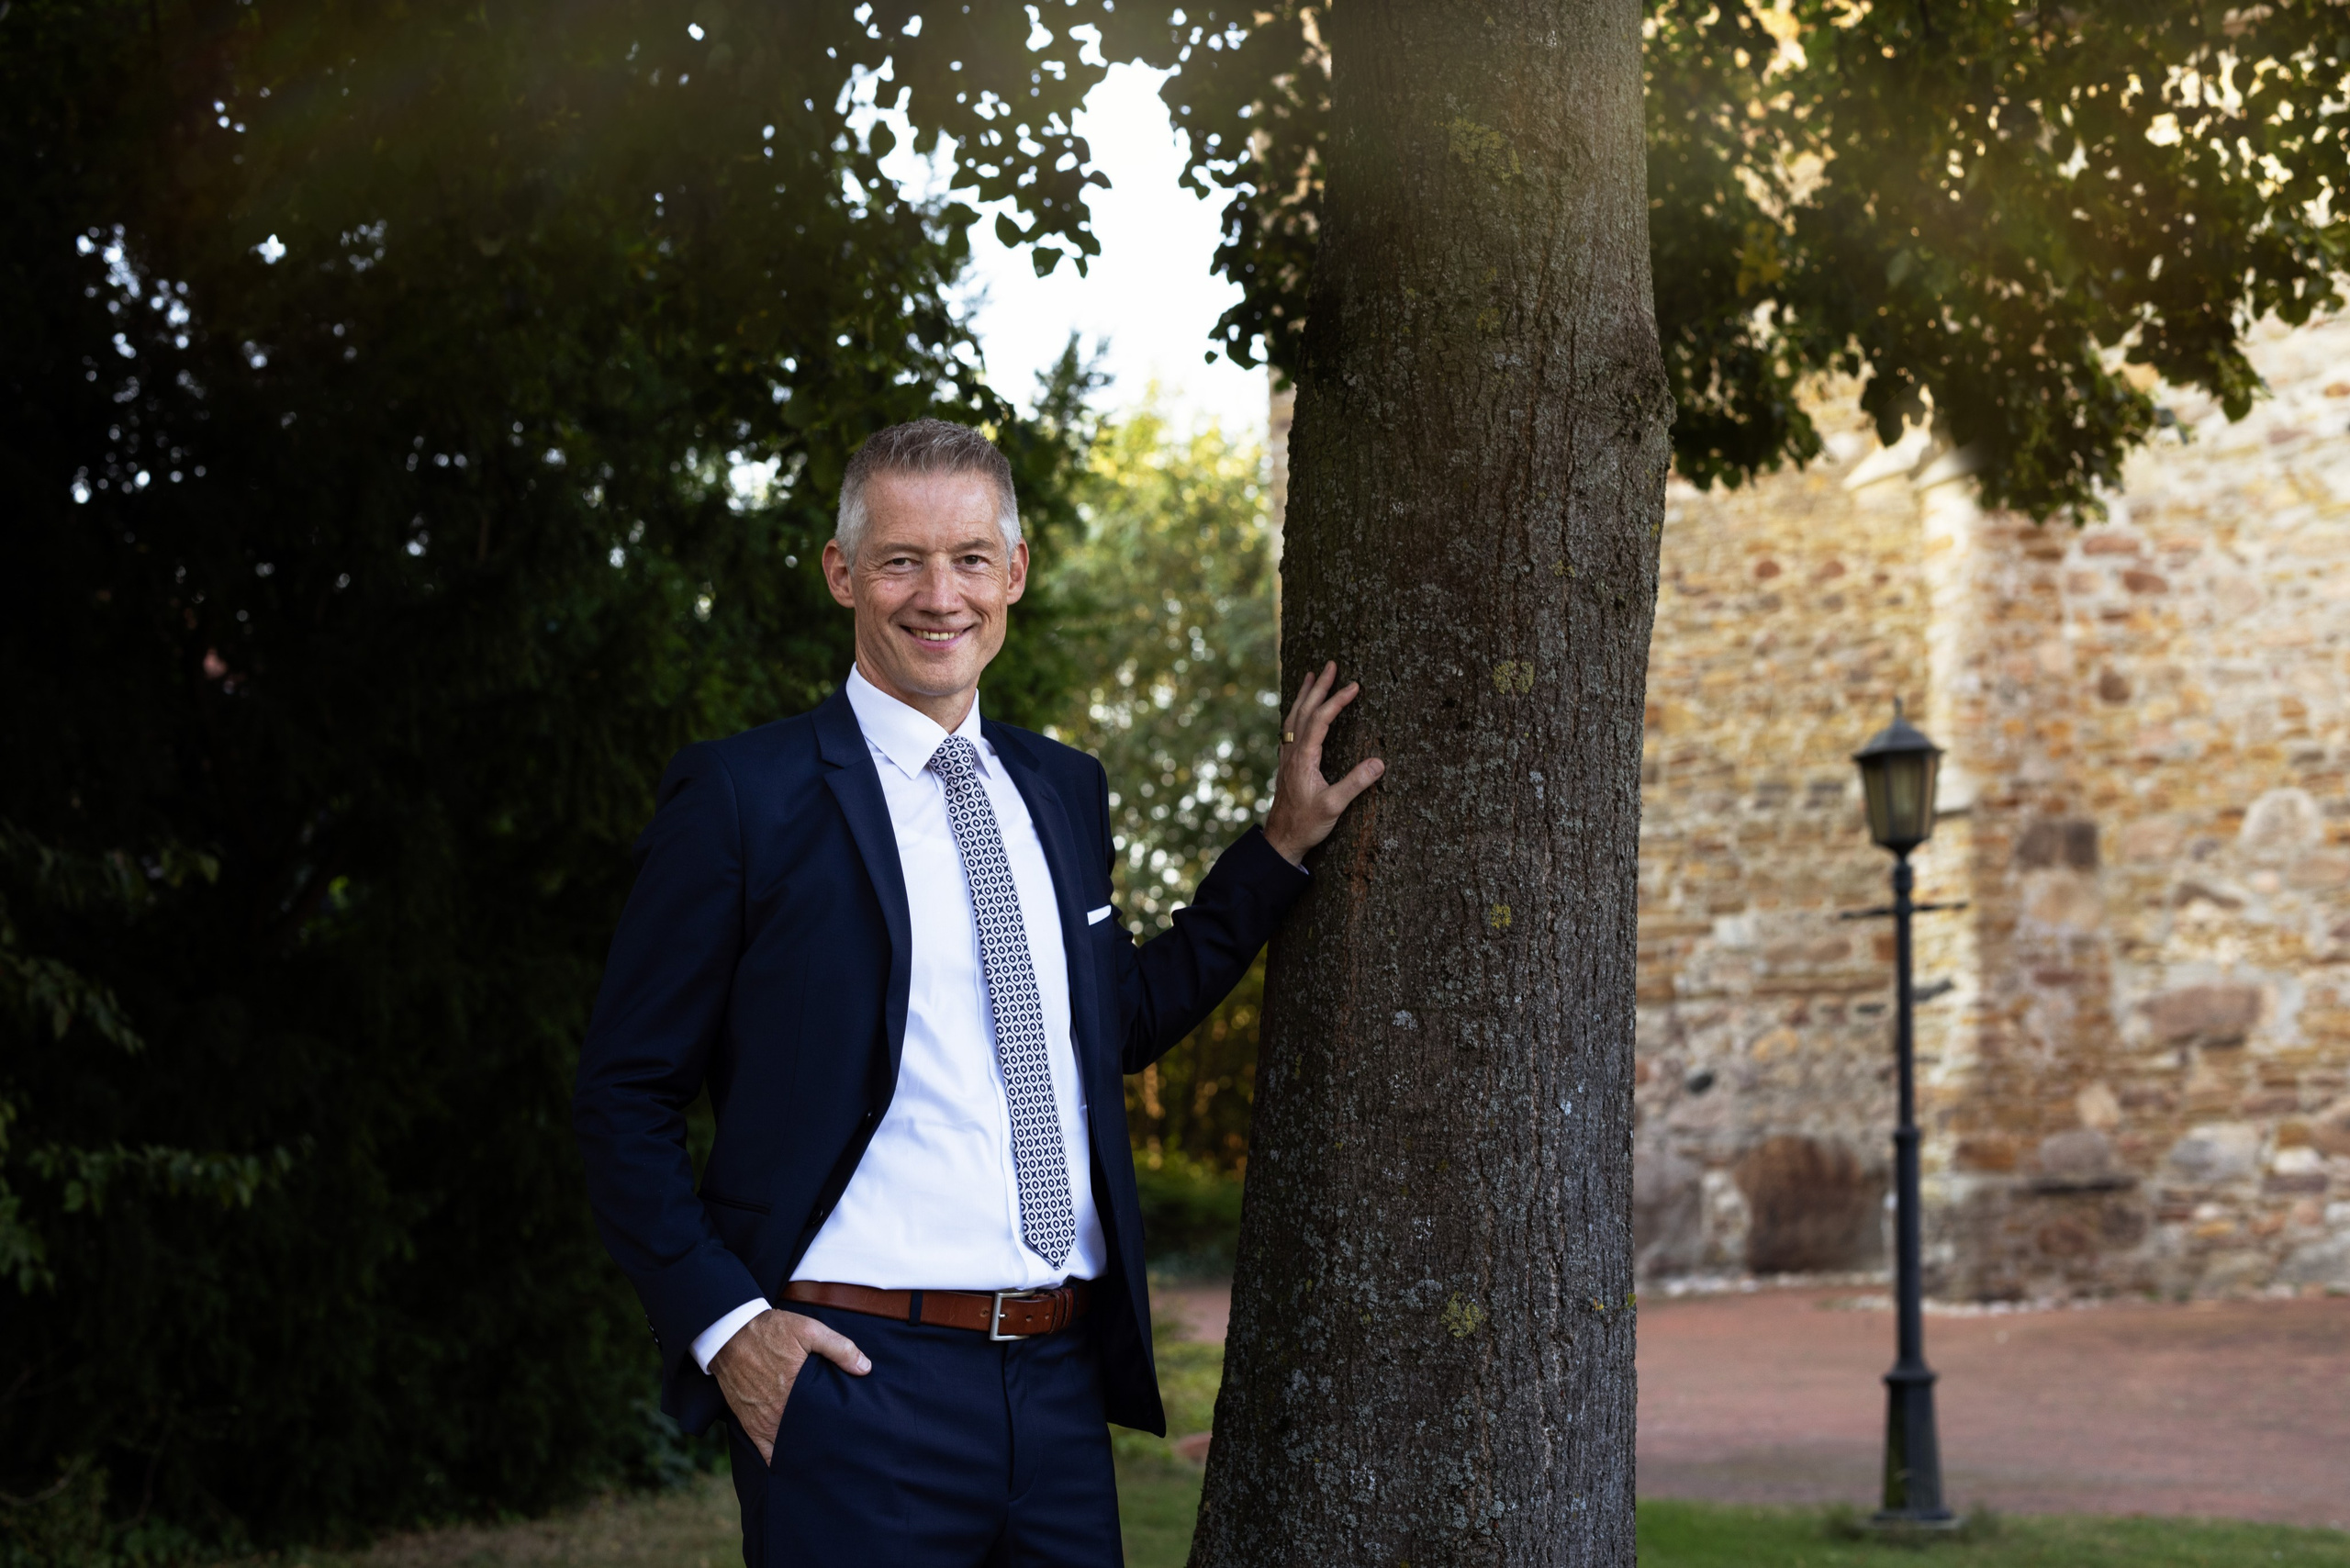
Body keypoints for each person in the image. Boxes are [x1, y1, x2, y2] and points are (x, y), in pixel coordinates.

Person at [572, 419, 1382, 1566]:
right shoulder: (744, 799)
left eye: (967, 558)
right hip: (851, 1387)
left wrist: (1279, 848)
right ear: (843, 574)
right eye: (900, 558)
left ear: (1014, 573)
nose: (936, 593)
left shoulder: (1061, 788)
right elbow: (622, 1095)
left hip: (1055, 1389)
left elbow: (1122, 1022)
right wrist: (729, 1330)